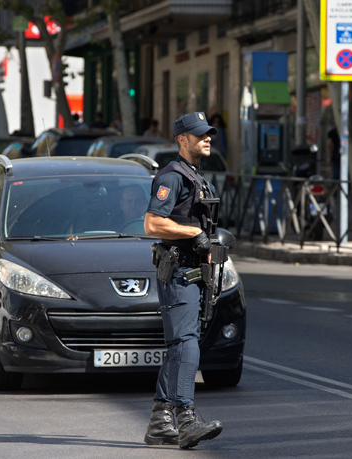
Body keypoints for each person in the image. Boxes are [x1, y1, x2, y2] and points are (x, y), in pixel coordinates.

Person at [143, 112, 223, 449]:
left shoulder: (196, 177)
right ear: (182, 140)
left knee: (180, 344)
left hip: (193, 272)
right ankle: (185, 417)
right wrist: (193, 233)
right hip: (178, 272)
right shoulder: (172, 176)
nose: (207, 139)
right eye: (199, 134)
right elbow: (151, 224)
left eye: (208, 134)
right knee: (186, 343)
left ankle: (160, 421)